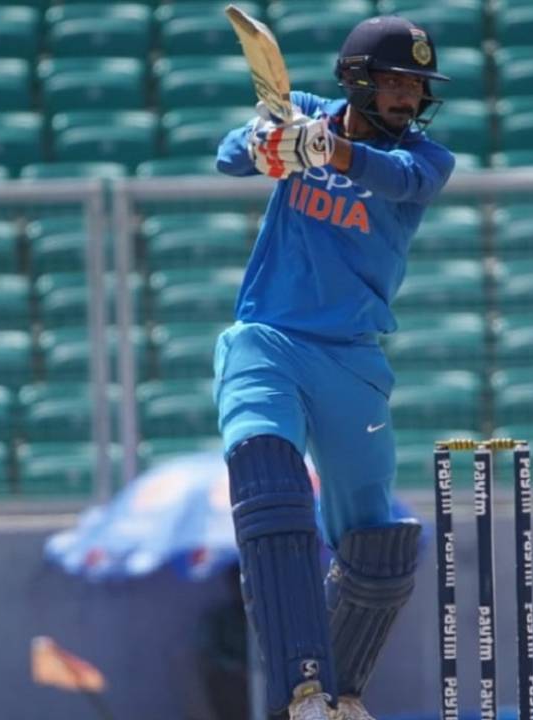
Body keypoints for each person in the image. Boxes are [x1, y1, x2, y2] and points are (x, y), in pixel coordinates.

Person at [212, 15, 456, 720]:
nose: (408, 97)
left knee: (375, 544)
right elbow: (232, 155)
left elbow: (393, 176)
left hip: (353, 360)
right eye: (393, 83)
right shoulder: (306, 115)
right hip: (269, 339)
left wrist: (328, 150)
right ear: (356, 80)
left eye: (416, 85)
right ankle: (303, 690)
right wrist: (269, 144)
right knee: (269, 477)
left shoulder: (429, 160)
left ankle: (340, 700)